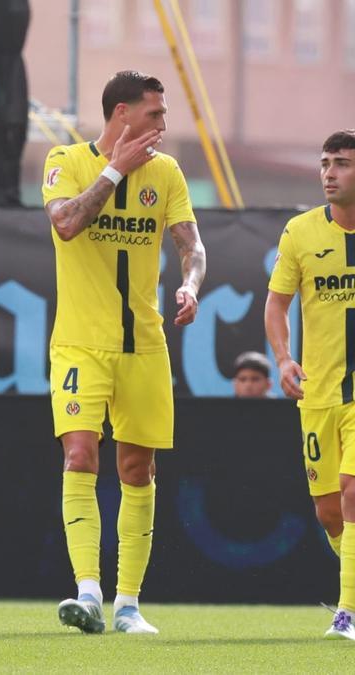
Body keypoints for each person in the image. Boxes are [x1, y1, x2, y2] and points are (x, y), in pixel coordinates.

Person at [41, 70, 206, 634]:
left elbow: (192, 245)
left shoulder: (168, 173)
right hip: (81, 344)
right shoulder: (65, 160)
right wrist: (115, 169)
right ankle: (87, 591)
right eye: (155, 113)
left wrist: (191, 283)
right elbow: (65, 223)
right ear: (122, 114)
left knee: (138, 467)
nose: (163, 123)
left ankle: (128, 605)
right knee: (79, 455)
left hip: (144, 346)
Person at [265, 129, 355, 641]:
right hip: (319, 393)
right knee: (328, 512)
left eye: (341, 163)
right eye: (325, 163)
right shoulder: (300, 232)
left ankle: (347, 613)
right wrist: (282, 359)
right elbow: (276, 304)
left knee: (351, 492)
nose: (329, 173)